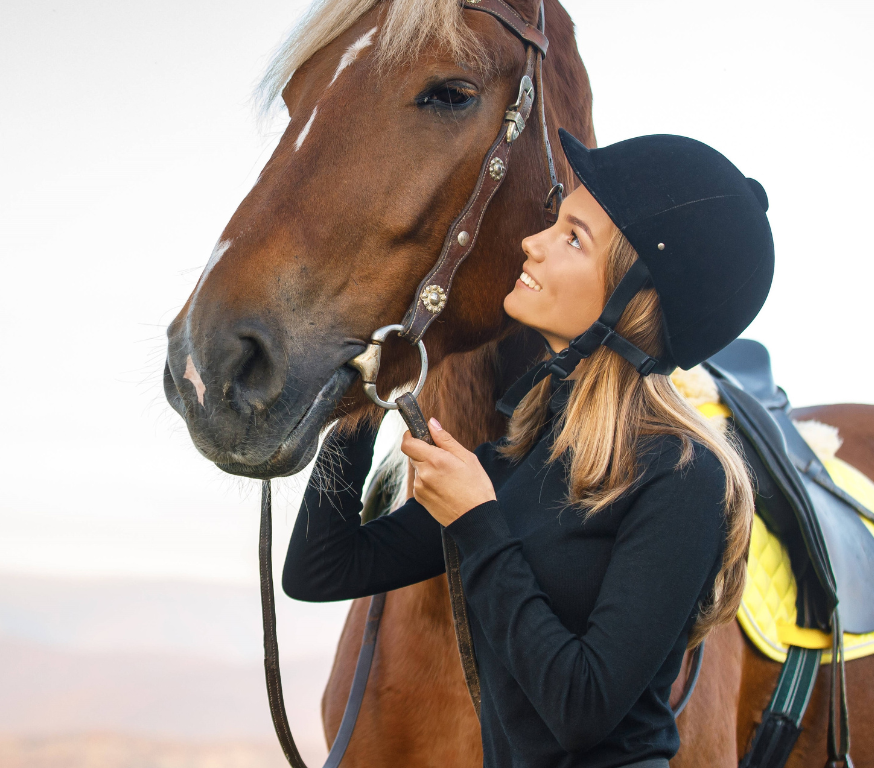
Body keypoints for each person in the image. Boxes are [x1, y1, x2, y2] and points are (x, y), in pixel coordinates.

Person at [282, 129, 773, 768]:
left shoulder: (681, 476)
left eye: (572, 237)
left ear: (634, 302)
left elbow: (581, 709)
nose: (531, 245)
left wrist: (478, 524)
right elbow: (320, 569)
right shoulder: (515, 462)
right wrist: (363, 397)